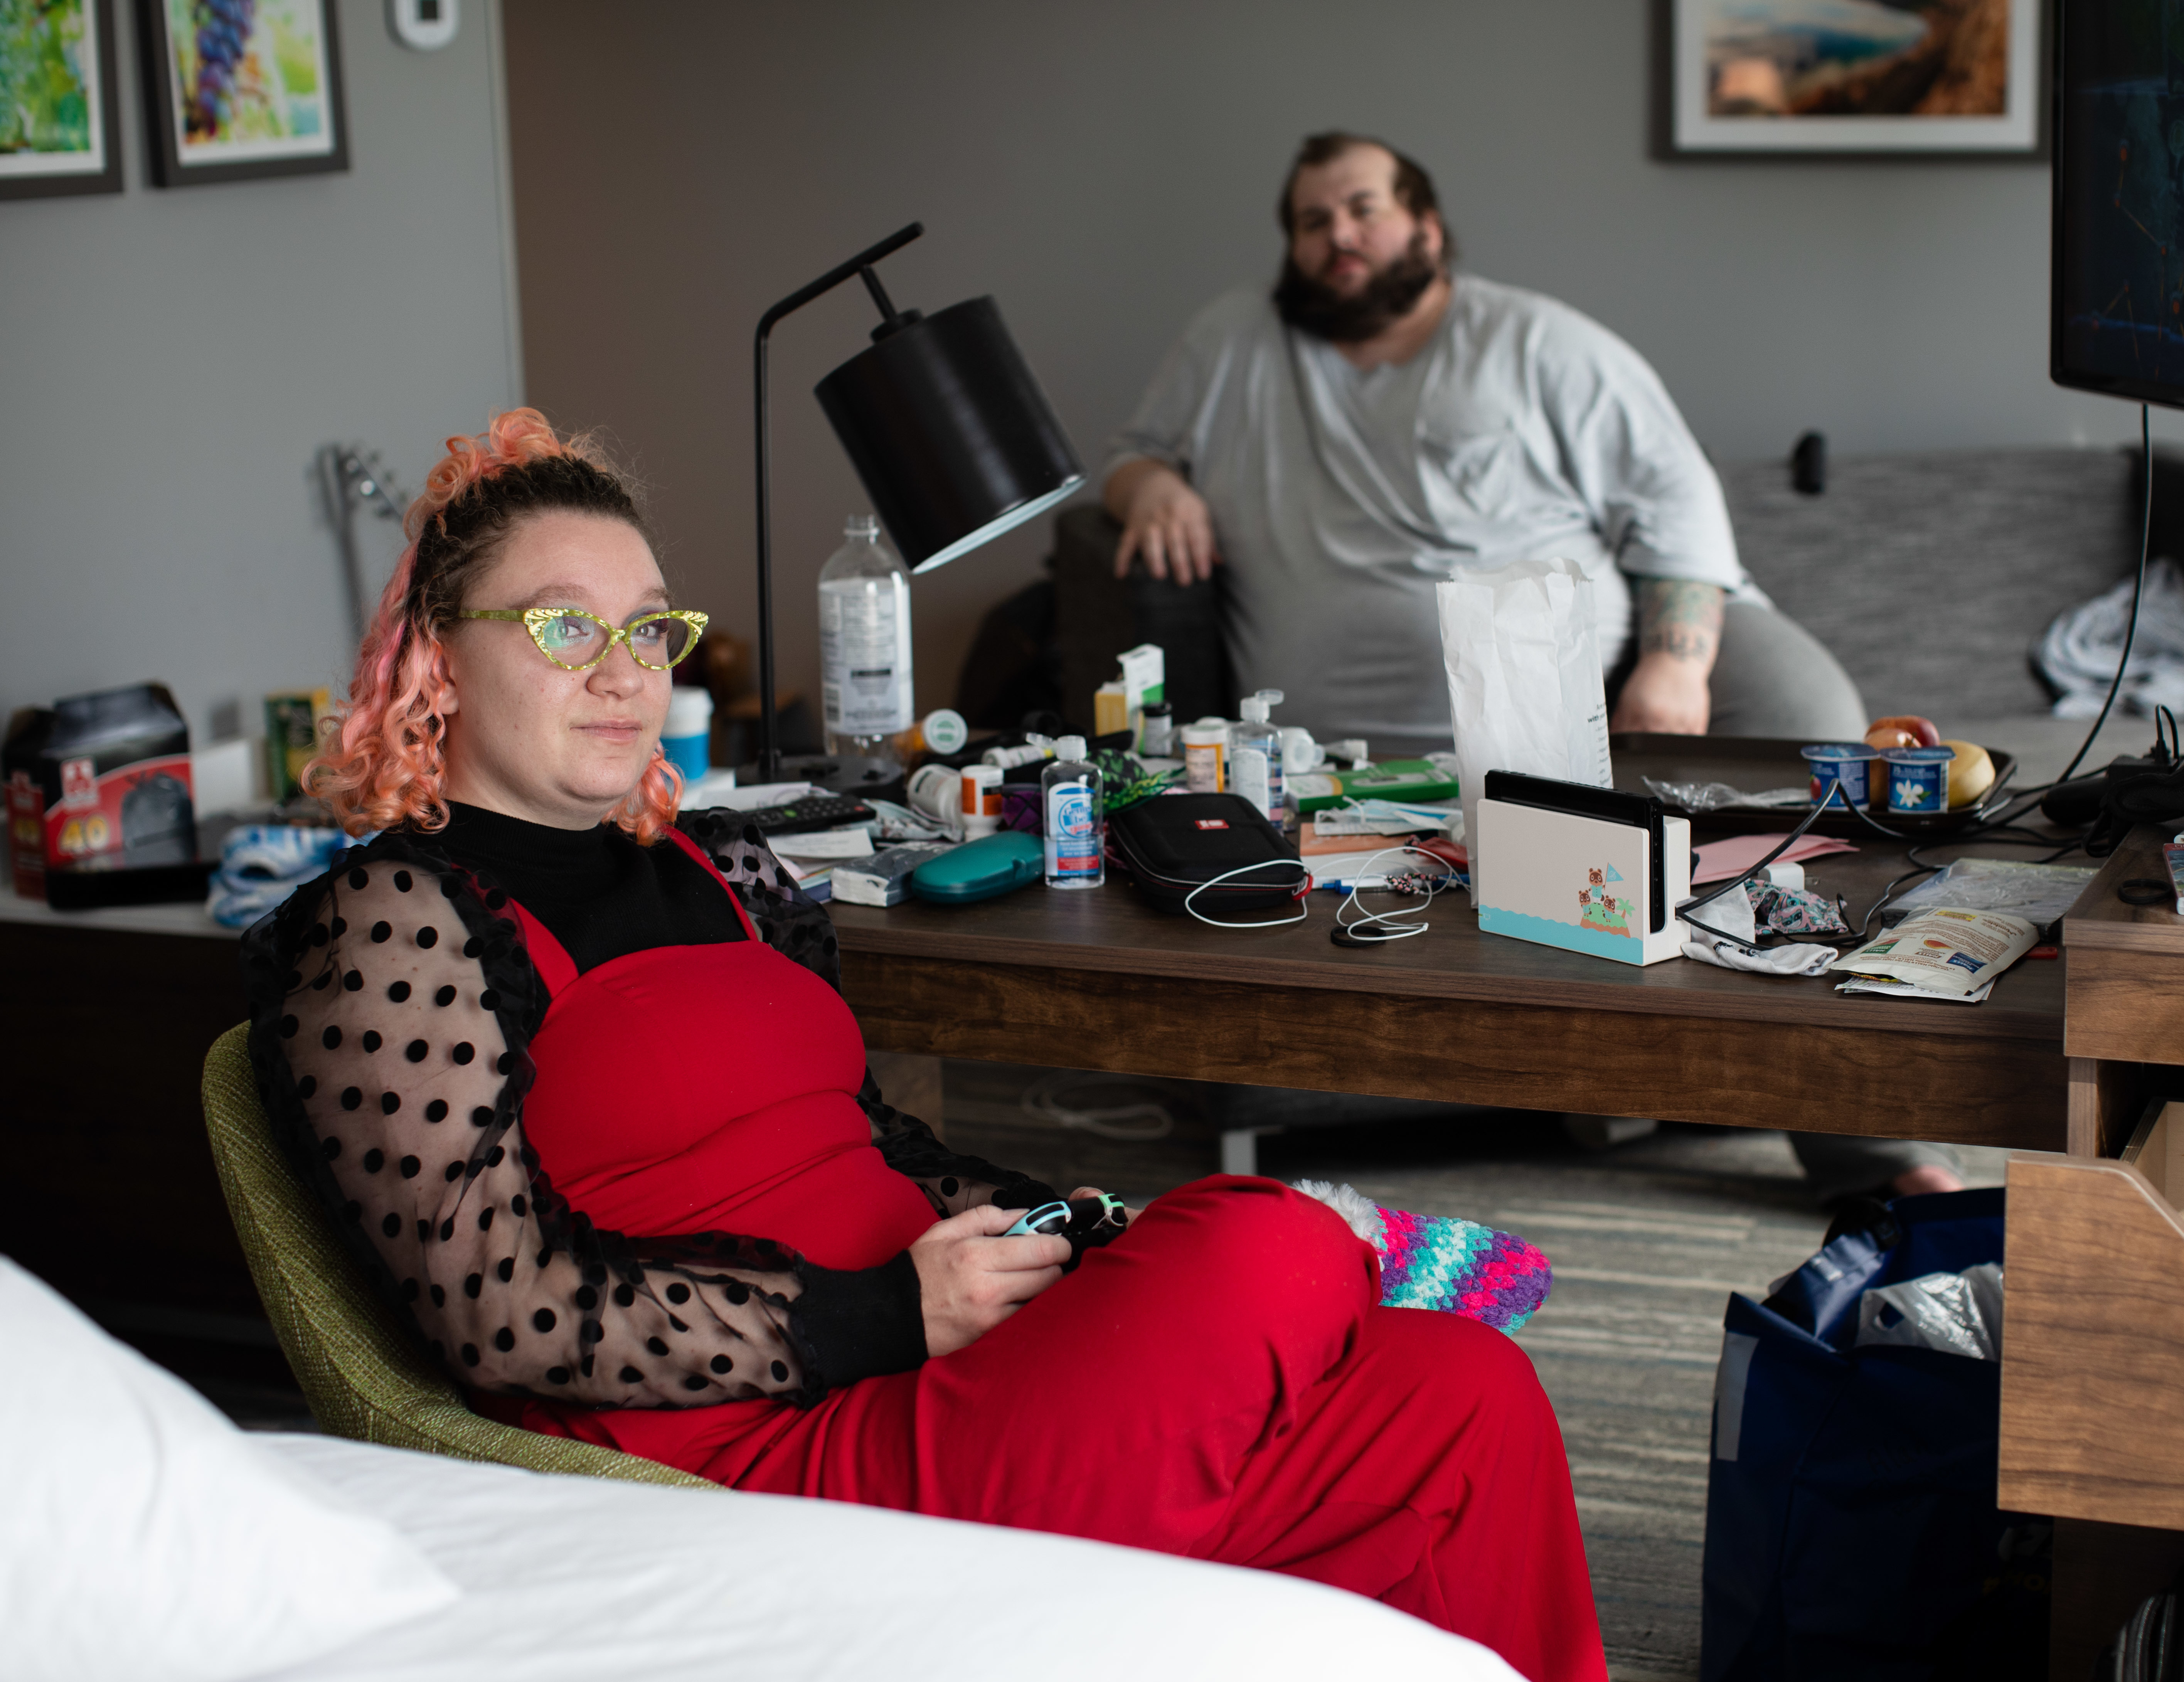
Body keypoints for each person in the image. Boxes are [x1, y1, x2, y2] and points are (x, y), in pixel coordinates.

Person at [241, 410, 1606, 1682]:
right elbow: (498, 1307)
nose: (623, 671)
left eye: (652, 629)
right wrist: (883, 1314)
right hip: (766, 1450)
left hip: (947, 1365)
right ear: (437, 652)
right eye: (561, 624)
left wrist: (1059, 1242)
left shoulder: (724, 865)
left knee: (1466, 1390)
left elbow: (877, 1145)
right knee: (1274, 1246)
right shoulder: (391, 917)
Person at [1107, 133, 1957, 1204]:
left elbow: (1677, 503)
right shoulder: (1230, 341)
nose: (1339, 237)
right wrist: (1148, 490)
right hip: (1349, 741)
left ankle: (1874, 1152)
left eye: (1363, 209)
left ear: (1424, 222)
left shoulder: (1537, 341)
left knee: (1814, 752)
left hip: (1590, 683)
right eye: (1313, 221)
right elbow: (1133, 450)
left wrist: (1673, 663)